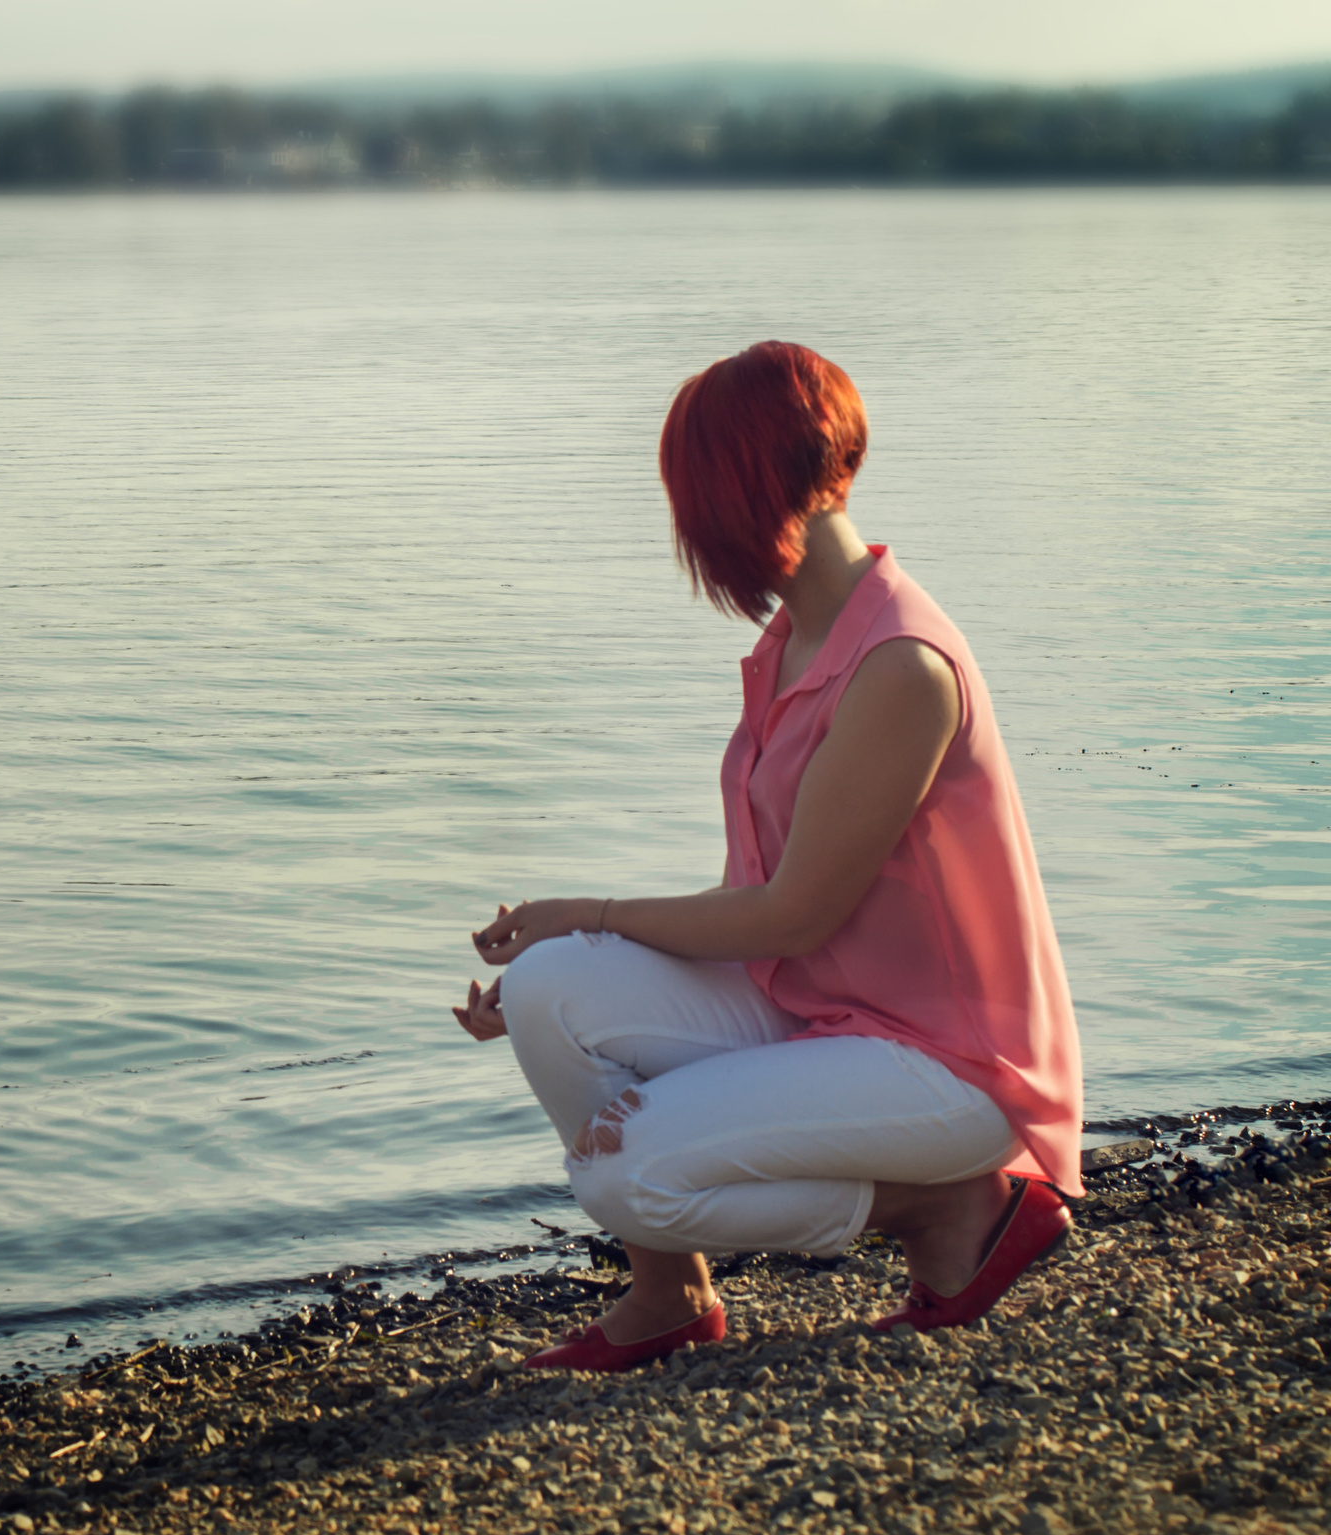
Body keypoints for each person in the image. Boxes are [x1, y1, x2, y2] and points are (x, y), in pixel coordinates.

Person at [451, 341, 1082, 1372]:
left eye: (695, 498)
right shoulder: (792, 645)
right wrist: (554, 967)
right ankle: (668, 1299)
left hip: (949, 1066)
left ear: (743, 491)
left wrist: (593, 907)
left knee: (624, 1179)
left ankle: (955, 1202)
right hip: (823, 1011)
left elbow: (790, 917)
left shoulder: (898, 668)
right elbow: (755, 902)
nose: (688, 531)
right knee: (550, 989)